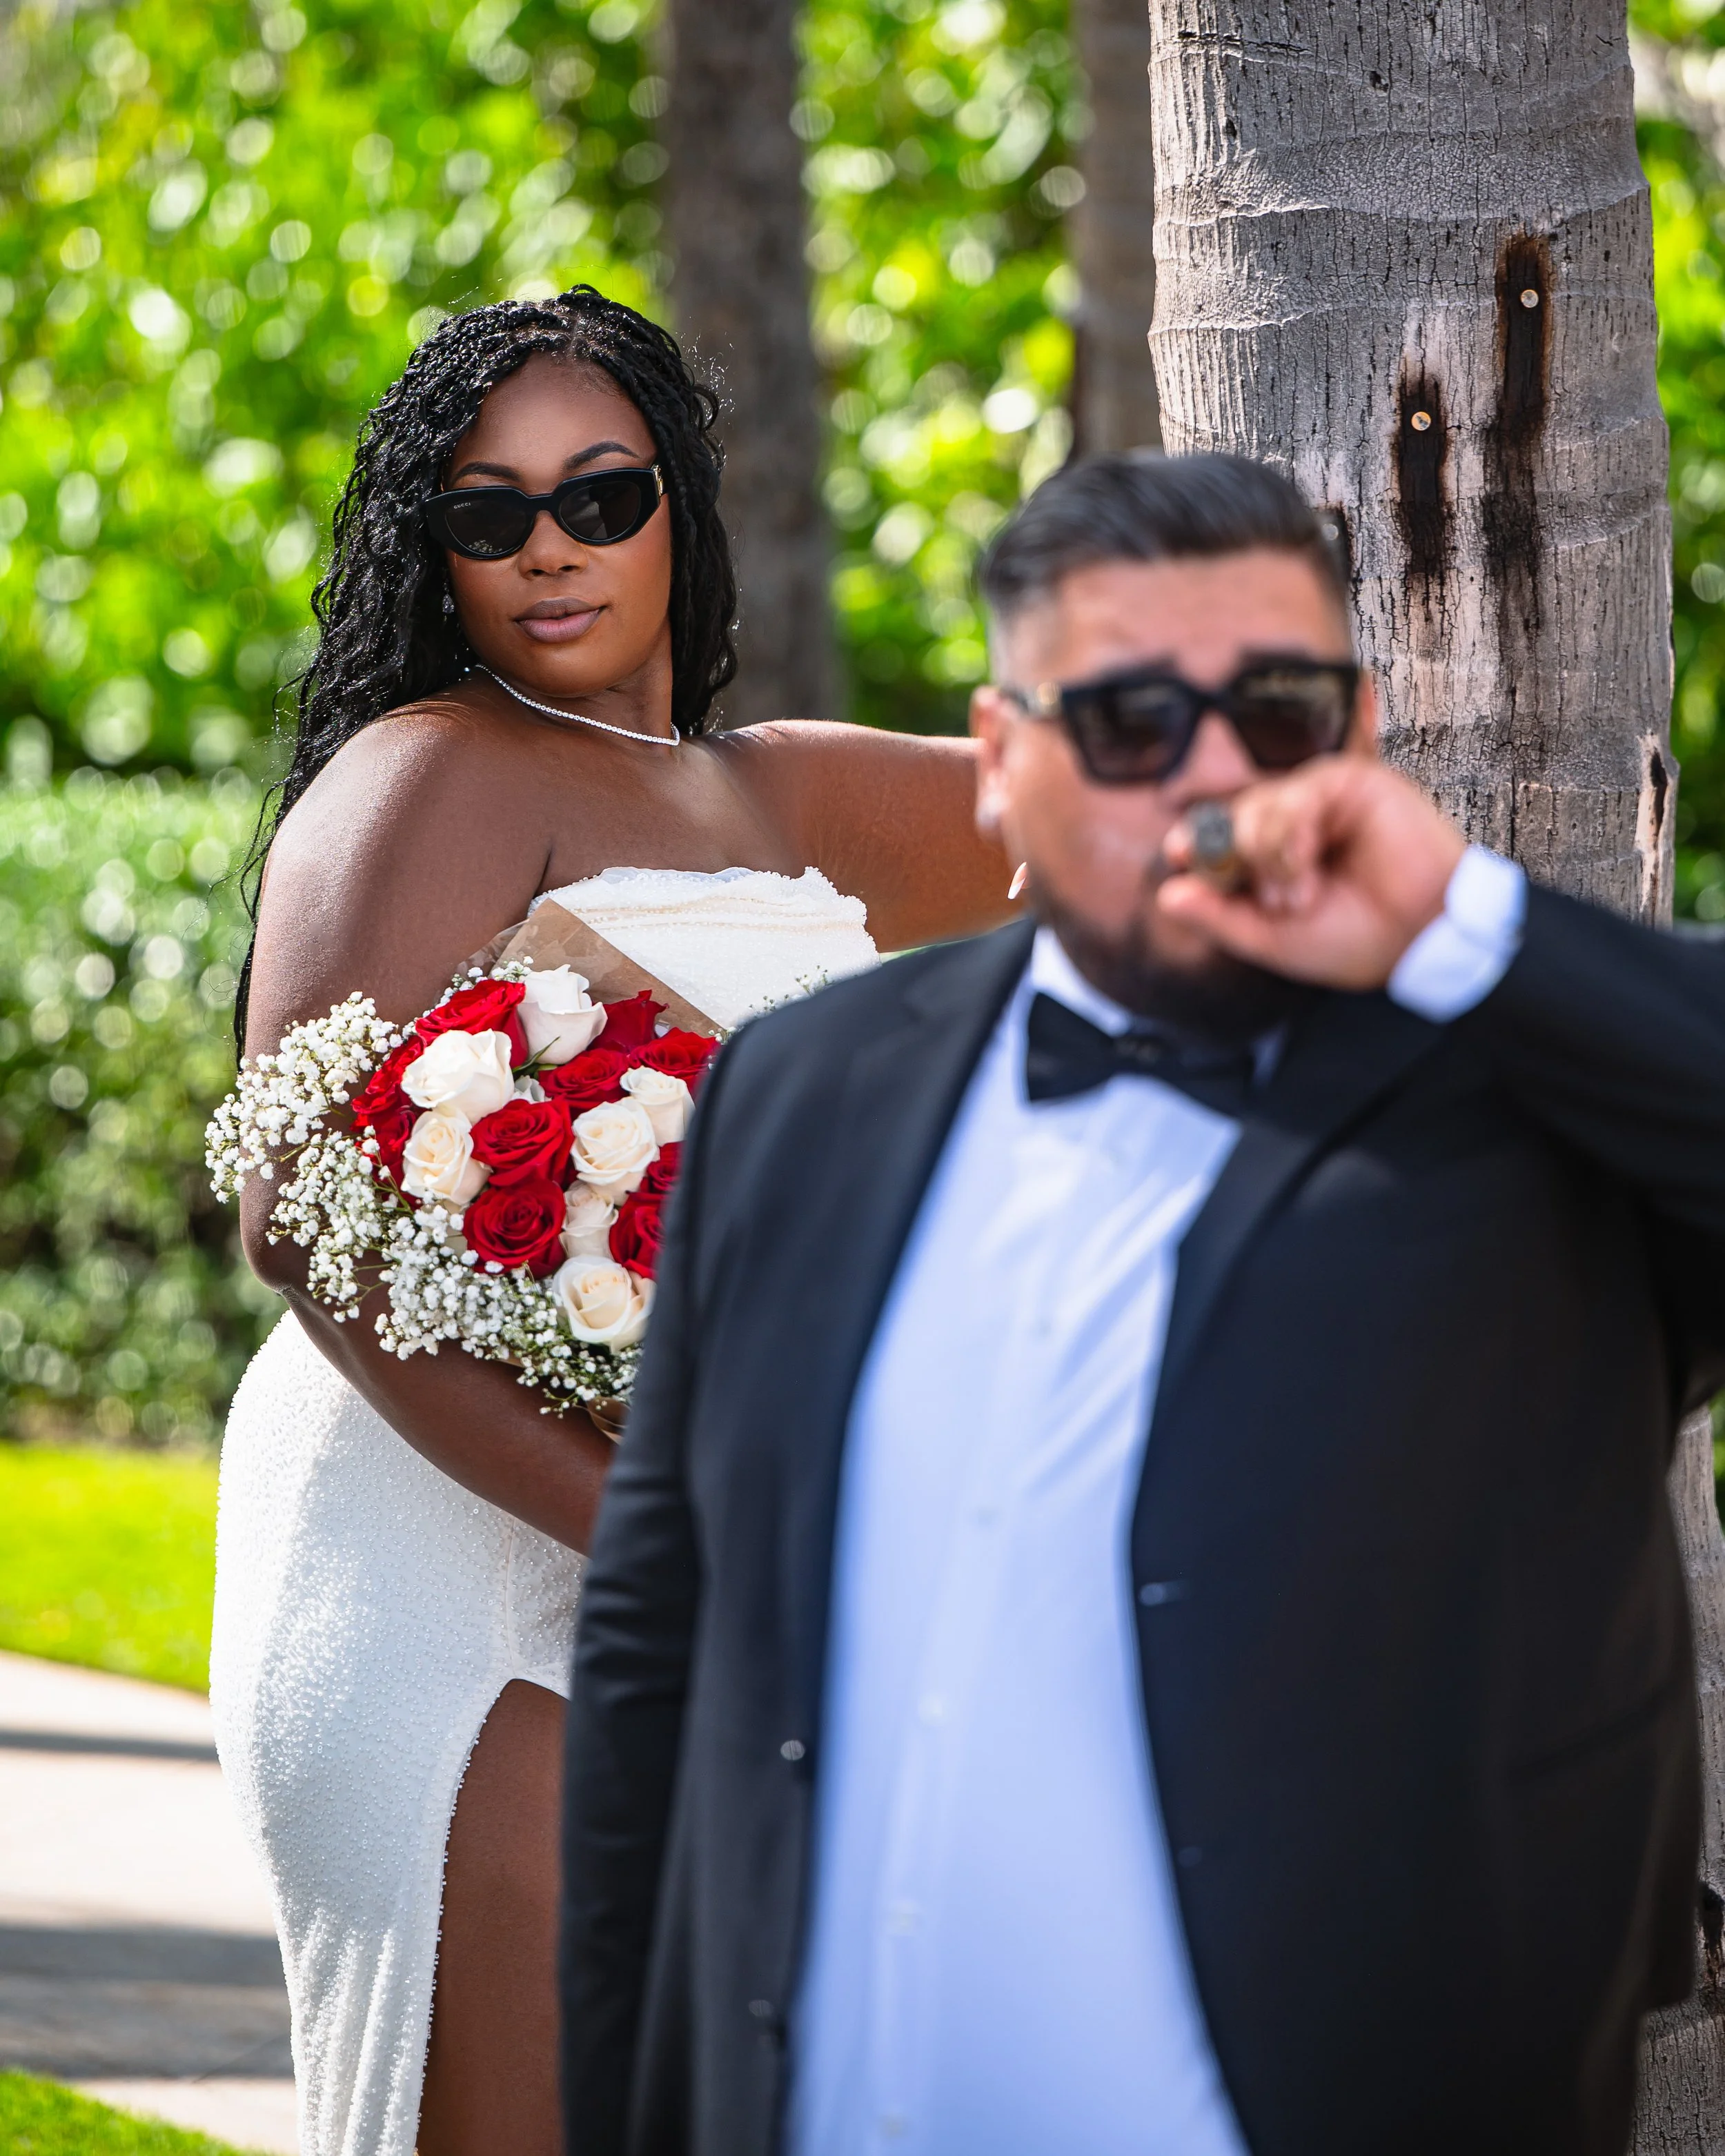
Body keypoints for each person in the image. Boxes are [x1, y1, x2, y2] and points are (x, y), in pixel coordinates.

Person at [560, 451, 1725, 2156]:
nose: (1209, 777)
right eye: (1122, 723)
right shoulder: (805, 1088)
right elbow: (657, 1658)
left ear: (1358, 725)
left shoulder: (1531, 1108)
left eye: (1272, 707)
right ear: (1003, 761)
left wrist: (1455, 919)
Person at [208, 284, 1012, 2156]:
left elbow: (1118, 828)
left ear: (680, 504)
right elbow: (297, 1215)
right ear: (439, 550)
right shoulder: (430, 770)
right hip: (441, 1539)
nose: (548, 550)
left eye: (596, 496)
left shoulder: (774, 786)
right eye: (486, 517)